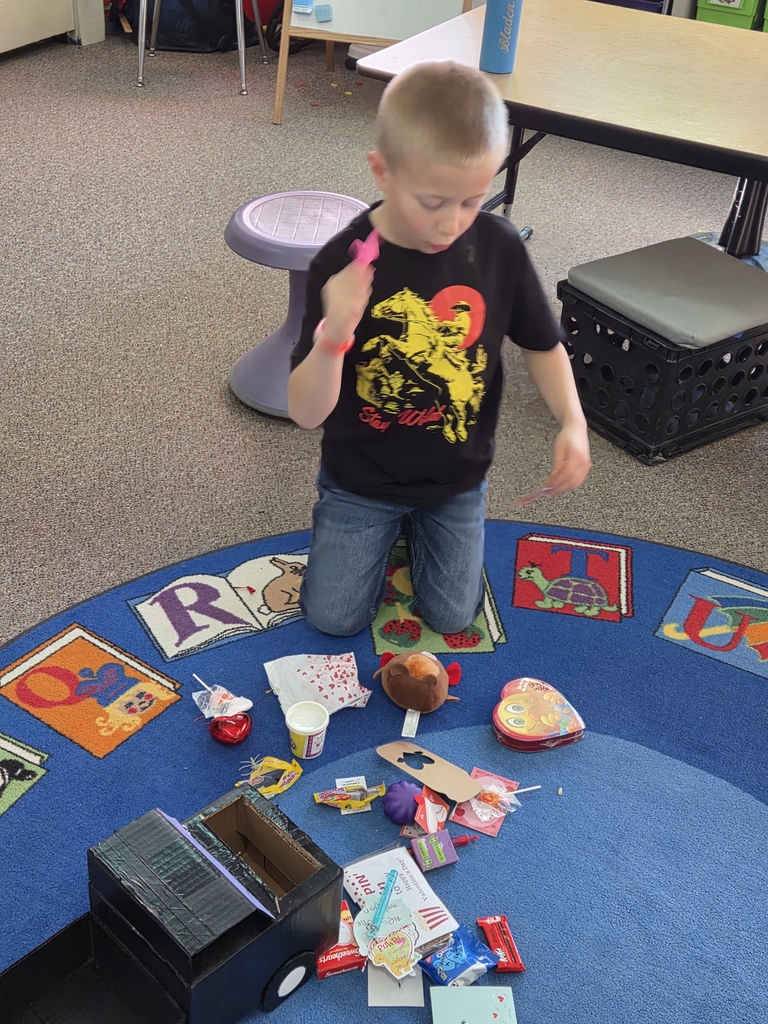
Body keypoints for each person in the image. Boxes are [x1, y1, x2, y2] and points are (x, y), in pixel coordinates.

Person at [288, 61, 590, 637]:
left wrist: (572, 421)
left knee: (454, 616)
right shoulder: (341, 262)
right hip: (360, 480)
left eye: (473, 200)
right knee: (332, 620)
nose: (452, 223)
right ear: (382, 171)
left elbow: (542, 344)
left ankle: (419, 534)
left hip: (455, 478)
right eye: (431, 201)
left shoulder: (497, 247)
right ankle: (382, 534)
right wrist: (334, 336)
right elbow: (305, 414)